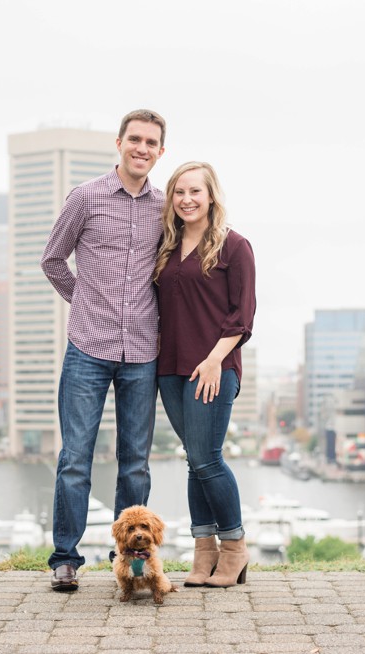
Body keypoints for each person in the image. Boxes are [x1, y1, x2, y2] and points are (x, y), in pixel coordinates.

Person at [40, 109, 167, 592]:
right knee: (76, 457)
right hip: (87, 348)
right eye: (134, 139)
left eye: (151, 142)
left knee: (135, 460)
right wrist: (85, 302)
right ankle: (65, 559)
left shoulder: (164, 206)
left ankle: (131, 564)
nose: (141, 148)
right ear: (119, 143)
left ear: (160, 152)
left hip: (142, 350)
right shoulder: (86, 197)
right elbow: (52, 260)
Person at [153, 161, 256, 588]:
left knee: (208, 459)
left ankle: (234, 549)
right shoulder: (165, 245)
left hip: (213, 367)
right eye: (179, 192)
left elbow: (243, 315)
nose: (187, 200)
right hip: (170, 369)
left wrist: (215, 359)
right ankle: (203, 552)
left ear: (211, 195)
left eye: (195, 191)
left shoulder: (234, 246)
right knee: (194, 461)